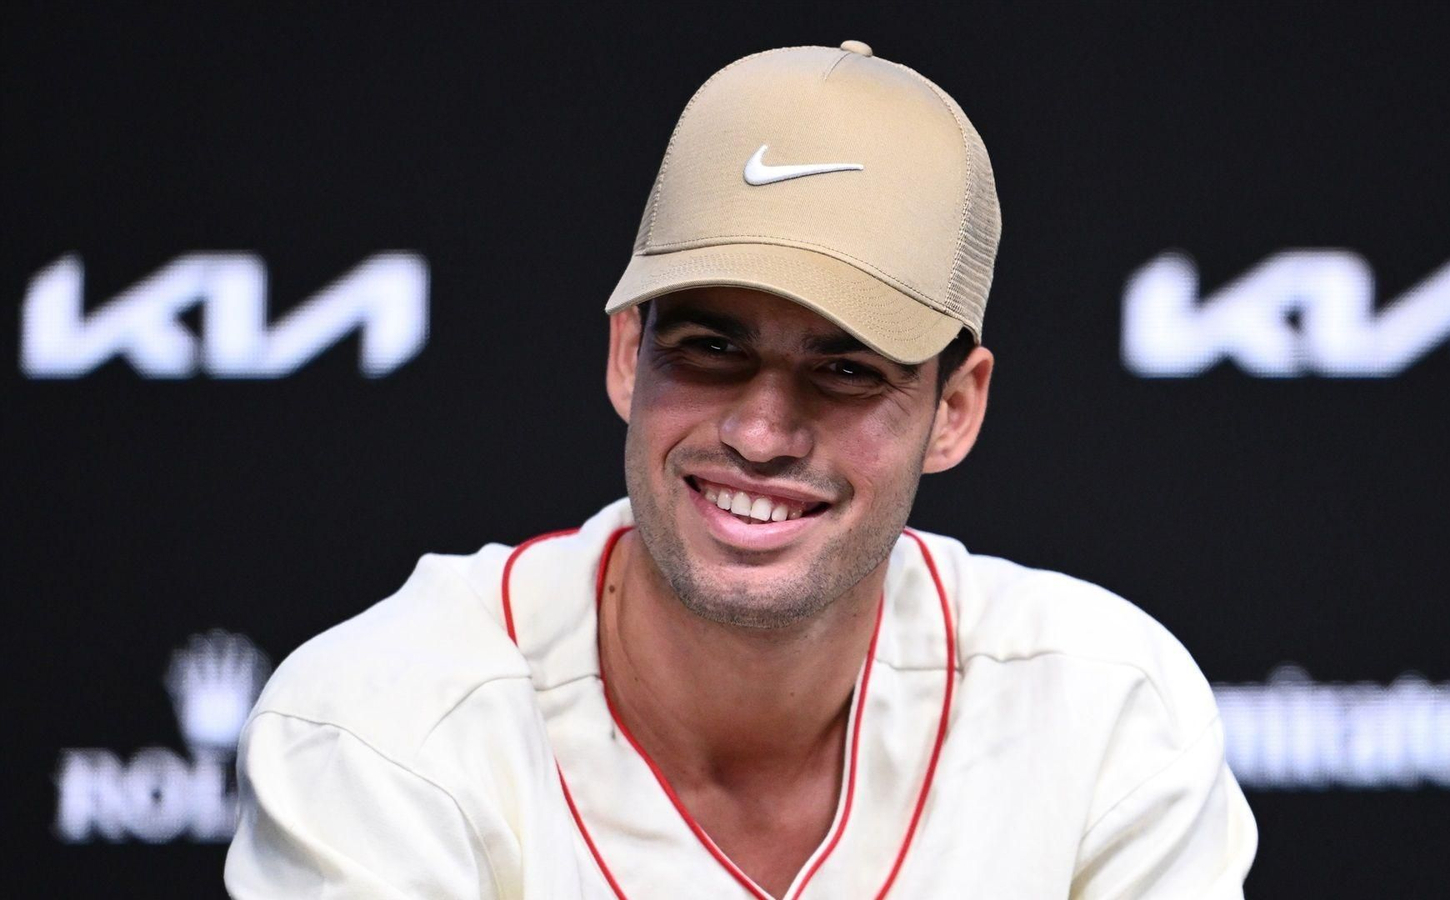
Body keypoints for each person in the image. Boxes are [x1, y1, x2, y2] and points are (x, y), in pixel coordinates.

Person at [225, 41, 1257, 899]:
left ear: (955, 409)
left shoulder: (1105, 707)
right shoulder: (382, 725)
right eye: (712, 350)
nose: (761, 434)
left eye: (846, 371)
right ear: (629, 353)